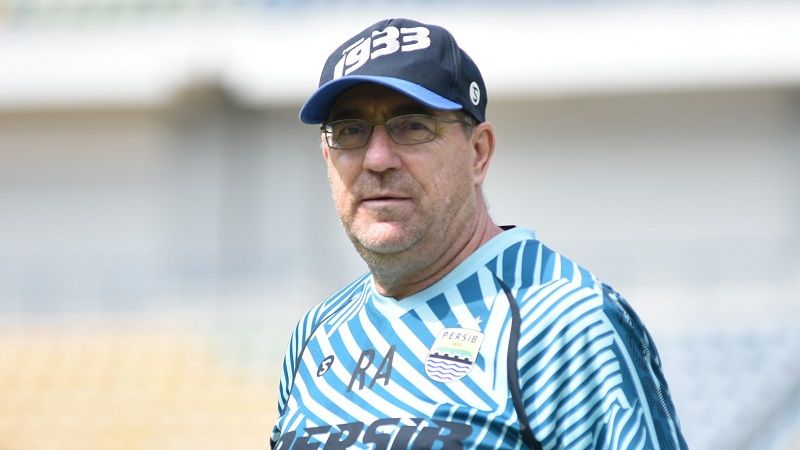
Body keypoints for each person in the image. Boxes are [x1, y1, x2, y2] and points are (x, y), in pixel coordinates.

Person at [270, 18, 688, 450]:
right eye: (351, 131)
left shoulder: (566, 321)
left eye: (412, 125)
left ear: (478, 152)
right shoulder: (314, 336)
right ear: (327, 157)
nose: (377, 159)